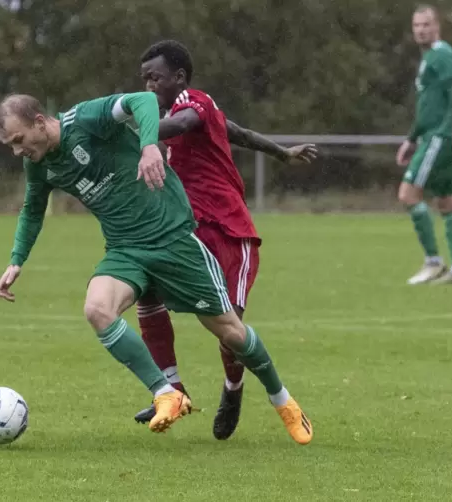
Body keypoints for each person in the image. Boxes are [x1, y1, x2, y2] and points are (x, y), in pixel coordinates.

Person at [0, 91, 312, 444]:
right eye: (9, 145)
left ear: (39, 122)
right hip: (125, 250)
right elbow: (33, 209)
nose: (17, 150)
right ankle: (167, 393)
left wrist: (148, 146)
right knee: (98, 309)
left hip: (173, 240)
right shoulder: (38, 164)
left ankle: (281, 399)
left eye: (18, 140)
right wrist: (16, 260)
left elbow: (142, 100)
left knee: (231, 333)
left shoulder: (85, 120)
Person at [132, 40, 317, 440]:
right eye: (144, 78)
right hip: (187, 230)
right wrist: (282, 153)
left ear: (178, 78)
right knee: (146, 290)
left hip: (230, 231)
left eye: (155, 78)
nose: (148, 86)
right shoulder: (177, 110)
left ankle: (234, 388)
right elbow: (239, 133)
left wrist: (133, 127)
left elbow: (183, 126)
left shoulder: (193, 102)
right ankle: (172, 390)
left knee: (228, 327)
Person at [396, 4, 452, 285]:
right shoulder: (431, 58)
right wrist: (411, 139)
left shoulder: (442, 55)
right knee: (447, 201)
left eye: (426, 25)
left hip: (440, 137)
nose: (421, 30)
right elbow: (428, 106)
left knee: (407, 194)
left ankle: (433, 262)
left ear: (436, 26)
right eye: (416, 26)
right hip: (433, 136)